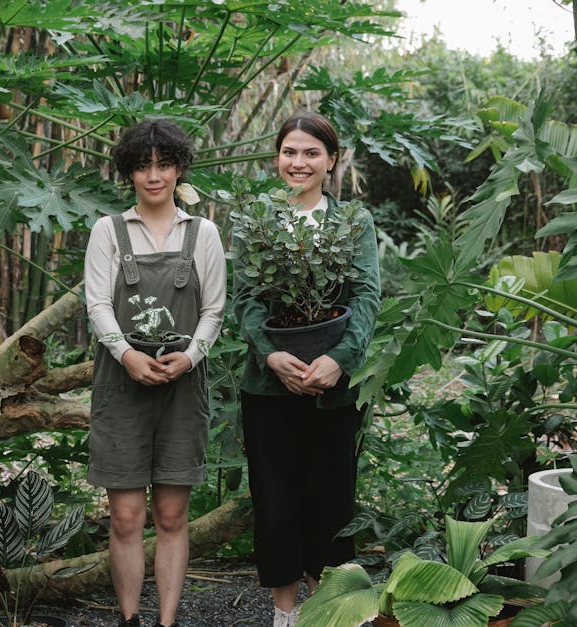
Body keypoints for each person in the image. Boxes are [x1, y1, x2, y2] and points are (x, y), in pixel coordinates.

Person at [234, 112, 381, 627]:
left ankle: (325, 611)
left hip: (332, 390)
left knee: (330, 500)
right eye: (290, 152)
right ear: (277, 157)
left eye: (312, 153)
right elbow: (245, 298)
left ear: (332, 160)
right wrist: (270, 355)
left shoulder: (353, 222)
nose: (299, 162)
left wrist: (340, 360)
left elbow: (367, 296)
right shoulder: (257, 219)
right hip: (269, 388)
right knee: (274, 501)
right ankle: (284, 614)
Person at [84, 118, 226, 627]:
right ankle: (129, 619)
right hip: (121, 386)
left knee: (171, 515)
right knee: (126, 518)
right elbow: (98, 305)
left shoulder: (202, 232)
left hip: (181, 388)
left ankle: (167, 621)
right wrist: (126, 354)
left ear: (178, 169)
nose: (153, 176)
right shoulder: (108, 231)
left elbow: (214, 310)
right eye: (143, 166)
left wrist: (191, 357)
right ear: (128, 172)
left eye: (164, 165)